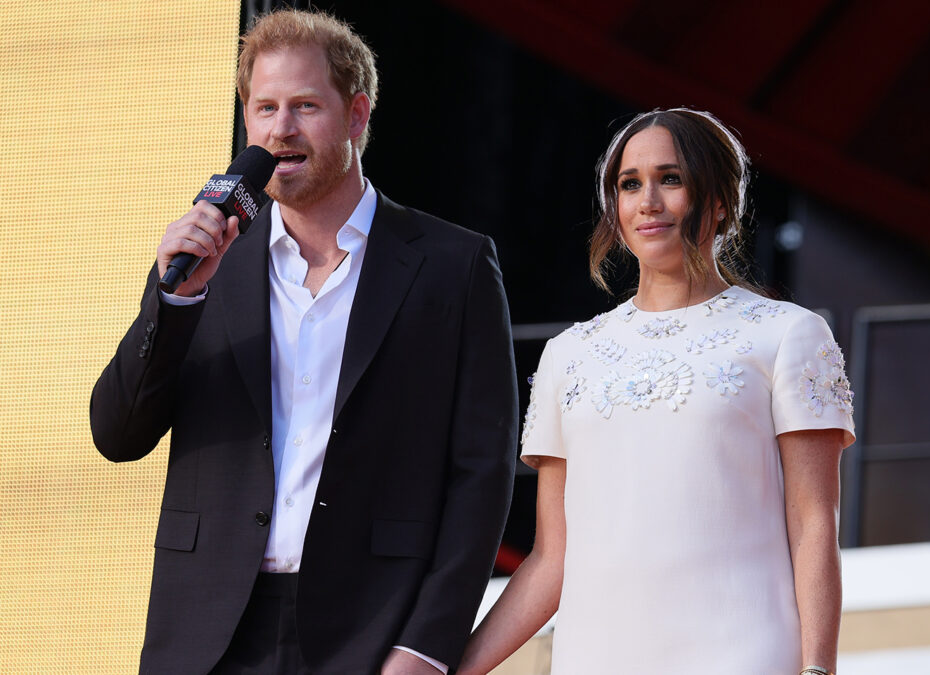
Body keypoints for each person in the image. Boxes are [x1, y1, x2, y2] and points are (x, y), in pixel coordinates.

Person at [90, 9, 517, 674]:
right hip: (205, 634)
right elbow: (117, 433)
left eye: (305, 106)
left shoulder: (451, 266)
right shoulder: (208, 258)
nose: (280, 129)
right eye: (264, 107)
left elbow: (481, 475)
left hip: (368, 629)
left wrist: (427, 648)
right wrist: (176, 299)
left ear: (356, 115)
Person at [459, 108, 855, 675]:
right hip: (595, 656)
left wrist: (818, 669)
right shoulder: (569, 355)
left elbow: (815, 525)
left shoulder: (788, 334)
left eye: (671, 178)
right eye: (629, 184)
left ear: (720, 199)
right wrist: (456, 668)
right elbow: (551, 558)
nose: (647, 201)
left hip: (743, 653)